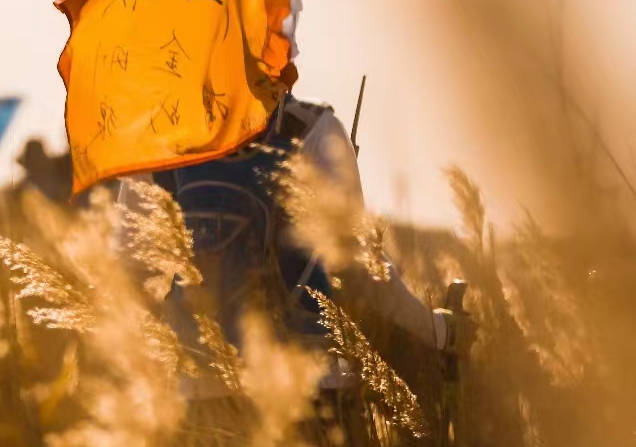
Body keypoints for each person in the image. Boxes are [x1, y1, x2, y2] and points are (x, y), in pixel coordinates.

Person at [122, 93, 445, 398]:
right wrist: (436, 329)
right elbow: (360, 267)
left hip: (200, 391)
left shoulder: (159, 135)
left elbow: (127, 273)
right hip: (307, 389)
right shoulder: (312, 128)